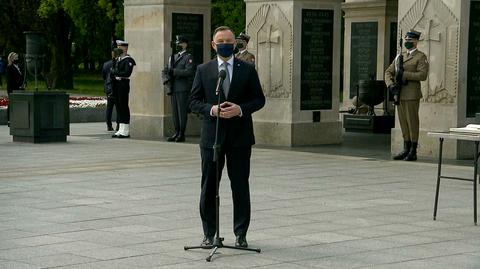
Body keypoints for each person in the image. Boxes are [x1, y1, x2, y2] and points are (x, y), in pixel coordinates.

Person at [190, 26, 265, 248]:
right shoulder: (204, 70)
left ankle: (241, 234)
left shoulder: (248, 69)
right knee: (209, 186)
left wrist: (240, 109)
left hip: (240, 138)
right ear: (213, 44)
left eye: (229, 41)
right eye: (220, 40)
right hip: (212, 137)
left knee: (240, 185)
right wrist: (212, 110)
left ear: (235, 44)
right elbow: (193, 101)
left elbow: (259, 99)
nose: (225, 44)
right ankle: (208, 233)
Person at [385, 30, 429, 161]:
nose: (407, 43)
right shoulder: (400, 57)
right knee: (403, 122)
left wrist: (404, 75)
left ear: (415, 42)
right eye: (405, 40)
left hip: (411, 94)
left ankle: (413, 150)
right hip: (399, 93)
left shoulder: (421, 57)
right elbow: (388, 71)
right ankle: (406, 147)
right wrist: (390, 85)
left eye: (409, 41)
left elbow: (422, 75)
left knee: (412, 122)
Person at [164, 35, 194, 142]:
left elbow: (189, 71)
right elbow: (165, 70)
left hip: (183, 88)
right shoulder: (173, 57)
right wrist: (167, 80)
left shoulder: (188, 57)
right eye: (177, 43)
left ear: (185, 44)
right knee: (175, 112)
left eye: (180, 43)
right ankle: (176, 132)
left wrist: (174, 72)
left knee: (181, 112)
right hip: (173, 88)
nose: (178, 45)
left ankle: (182, 133)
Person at [111, 40, 136, 138]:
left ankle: (126, 130)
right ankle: (121, 129)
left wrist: (116, 73)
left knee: (124, 106)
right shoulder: (118, 59)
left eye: (120, 47)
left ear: (125, 48)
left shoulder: (128, 60)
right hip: (117, 85)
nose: (118, 49)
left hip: (123, 84)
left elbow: (127, 73)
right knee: (118, 106)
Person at [102, 48, 122, 132]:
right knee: (118, 107)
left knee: (109, 107)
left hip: (109, 88)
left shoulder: (106, 64)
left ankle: (109, 125)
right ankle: (118, 125)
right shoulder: (119, 64)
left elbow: (103, 76)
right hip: (116, 87)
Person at [6, 52, 25, 125]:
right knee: (11, 104)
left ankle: (19, 119)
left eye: (17, 57)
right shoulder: (9, 67)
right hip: (13, 89)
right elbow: (10, 80)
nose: (17, 59)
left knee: (20, 104)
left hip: (20, 88)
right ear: (11, 58)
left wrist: (24, 83)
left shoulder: (18, 67)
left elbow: (22, 77)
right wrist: (18, 86)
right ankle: (9, 120)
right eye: (15, 57)